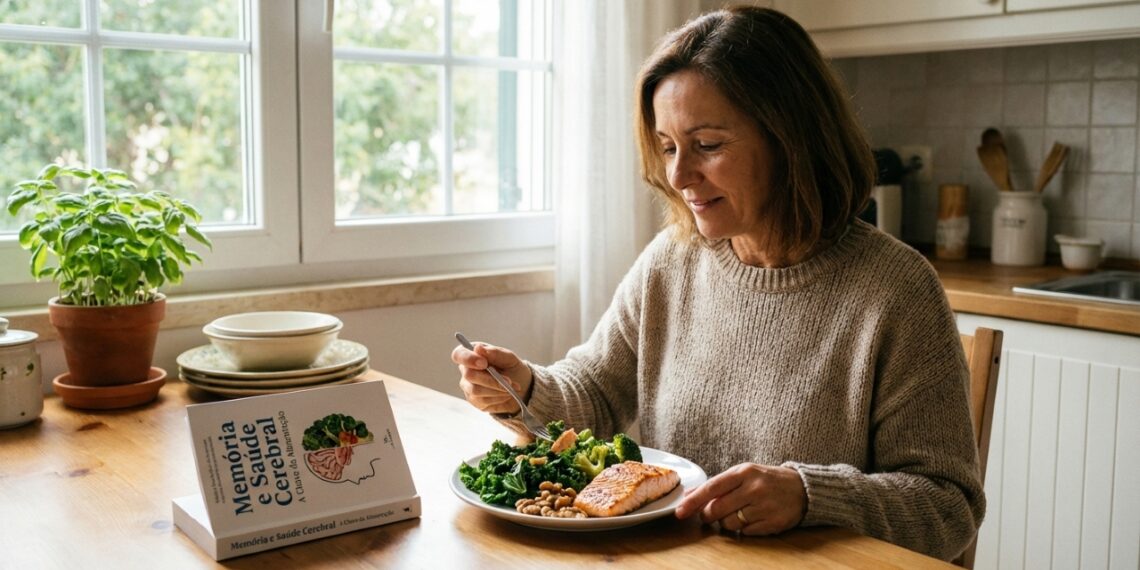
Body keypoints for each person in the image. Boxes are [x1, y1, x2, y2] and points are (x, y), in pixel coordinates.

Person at [451, 5, 984, 561]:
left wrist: (810, 496)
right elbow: (595, 391)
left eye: (707, 144)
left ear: (792, 139)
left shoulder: (897, 291)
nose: (678, 176)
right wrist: (524, 389)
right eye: (667, 147)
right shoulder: (672, 260)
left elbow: (949, 509)